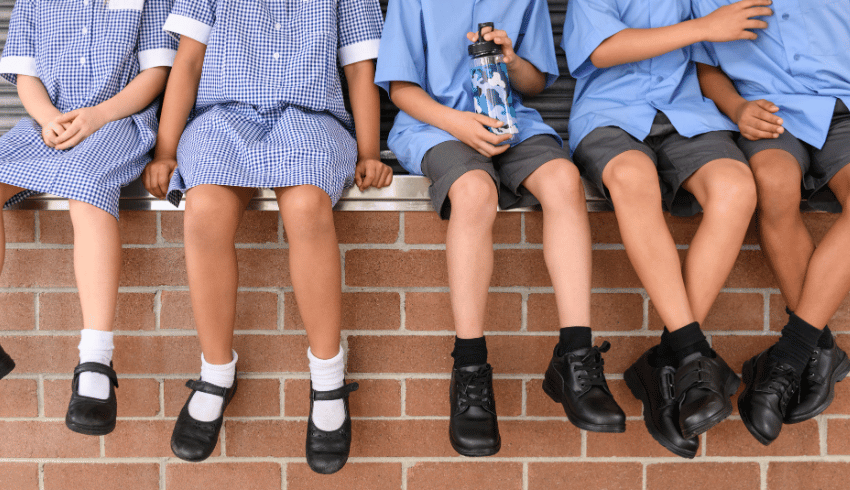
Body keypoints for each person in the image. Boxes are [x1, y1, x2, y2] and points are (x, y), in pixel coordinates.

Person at [142, 0, 392, 474]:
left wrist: (369, 151)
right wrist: (166, 150)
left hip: (310, 120)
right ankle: (216, 371)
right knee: (204, 209)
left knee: (306, 206)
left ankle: (327, 377)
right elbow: (188, 61)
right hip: (223, 118)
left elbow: (360, 69)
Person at [375, 0, 626, 458]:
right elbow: (400, 88)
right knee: (474, 193)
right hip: (436, 125)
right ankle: (469, 369)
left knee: (564, 180)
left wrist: (512, 60)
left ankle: (575, 356)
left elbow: (534, 82)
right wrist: (457, 123)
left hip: (509, 122)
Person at [563, 0, 771, 457]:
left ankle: (668, 361)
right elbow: (603, 49)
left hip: (687, 113)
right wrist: (703, 27)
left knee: (737, 188)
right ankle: (691, 356)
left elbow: (710, 57)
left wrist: (736, 107)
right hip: (611, 114)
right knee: (634, 181)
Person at [0, 0, 176, 435]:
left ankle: (95, 358)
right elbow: (28, 74)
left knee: (86, 186)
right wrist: (48, 120)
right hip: (50, 122)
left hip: (117, 120)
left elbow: (156, 73)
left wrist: (98, 115)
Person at [695, 0, 850, 445]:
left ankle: (791, 354)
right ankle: (818, 351)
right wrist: (737, 107)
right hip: (770, 117)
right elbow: (704, 64)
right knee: (773, 184)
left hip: (844, 110)